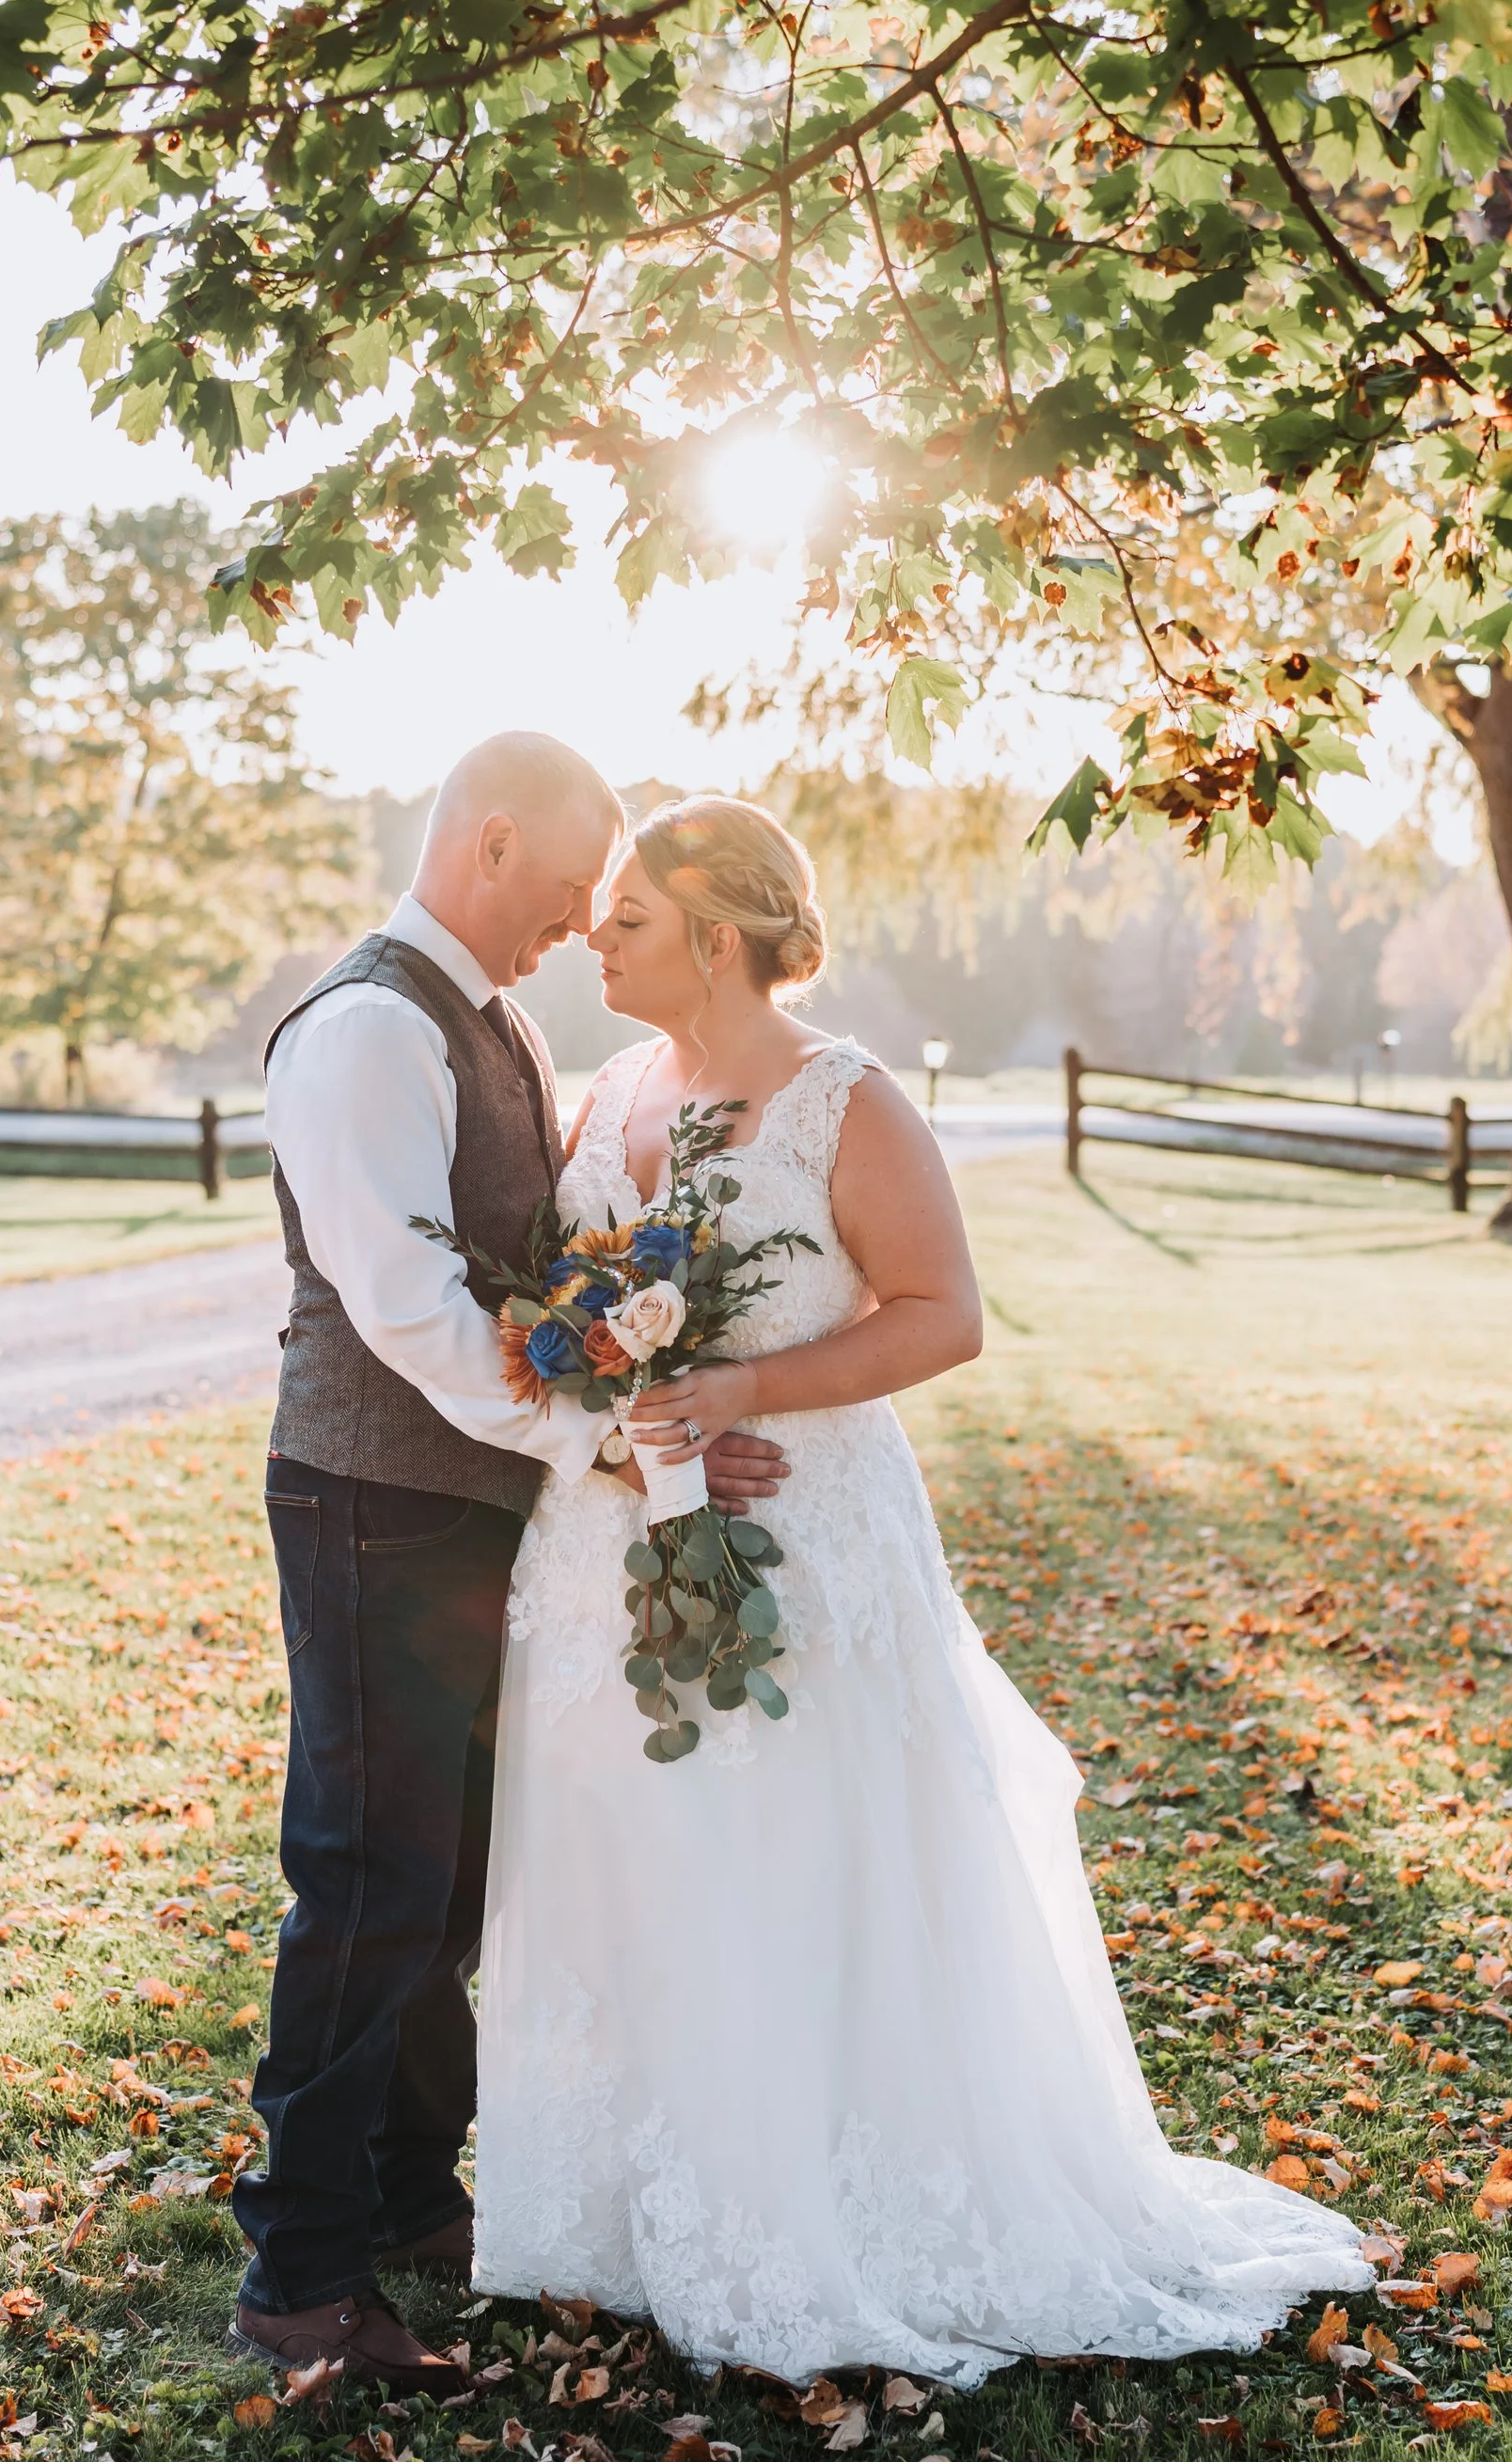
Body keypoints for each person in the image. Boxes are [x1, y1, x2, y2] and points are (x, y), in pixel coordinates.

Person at [472, 794, 1371, 2379]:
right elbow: (568, 1301)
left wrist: (748, 1393)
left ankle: (832, 2203)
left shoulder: (846, 1102)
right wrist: (617, 1411)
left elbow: (944, 1313)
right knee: (636, 1837)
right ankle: (634, 2207)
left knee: (800, 1842)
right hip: (618, 1531)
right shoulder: (609, 1087)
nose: (595, 942)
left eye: (625, 917)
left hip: (807, 1525)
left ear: (717, 932)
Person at [229, 735, 789, 2397]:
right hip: (367, 1497)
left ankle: (409, 2198)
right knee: (365, 1879)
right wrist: (605, 1440)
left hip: (467, 1507)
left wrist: (627, 1381)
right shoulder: (364, 1030)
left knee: (448, 1874)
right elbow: (408, 1302)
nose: (572, 925)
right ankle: (302, 2271)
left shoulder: (498, 1024)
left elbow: (527, 1262)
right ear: (488, 840)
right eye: (563, 892)